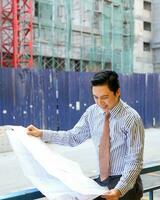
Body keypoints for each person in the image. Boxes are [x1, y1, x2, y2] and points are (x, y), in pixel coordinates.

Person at [27, 71, 144, 200]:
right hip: (103, 180)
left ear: (117, 92)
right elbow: (73, 137)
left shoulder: (131, 118)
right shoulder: (92, 112)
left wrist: (120, 189)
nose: (100, 103)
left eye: (105, 97)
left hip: (127, 184)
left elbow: (135, 161)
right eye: (95, 97)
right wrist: (42, 134)